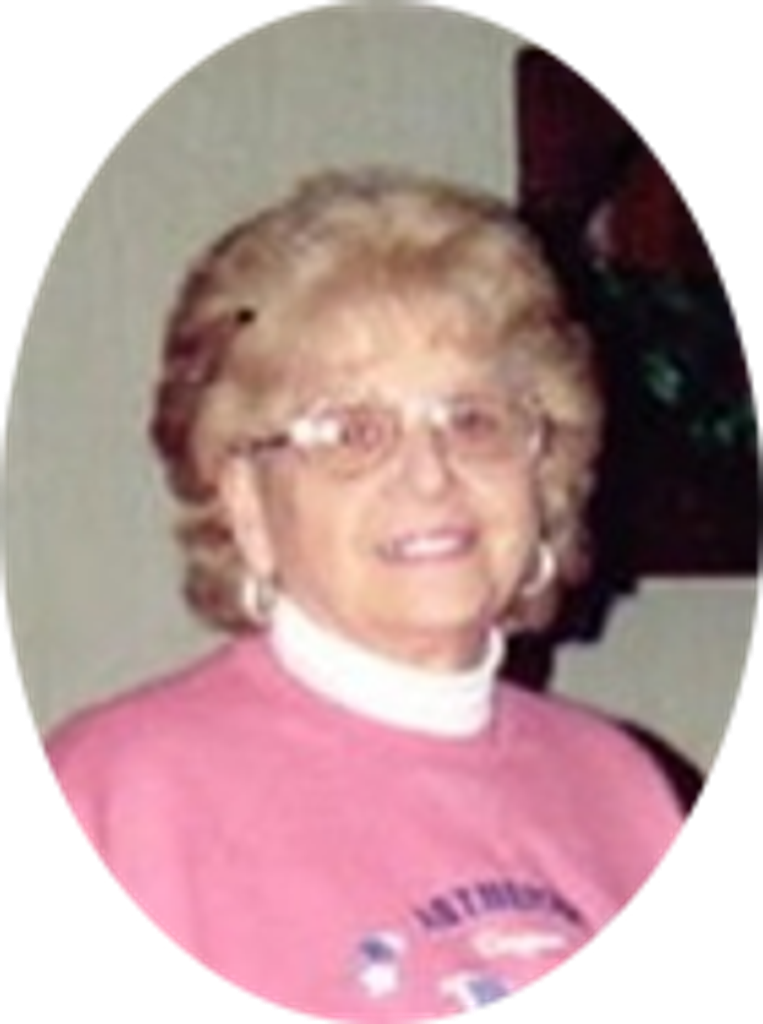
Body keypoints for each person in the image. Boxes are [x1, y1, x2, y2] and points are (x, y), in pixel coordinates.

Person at [42, 169, 687, 1018]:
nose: (429, 475)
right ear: (247, 500)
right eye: (352, 432)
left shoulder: (622, 788)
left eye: (473, 420)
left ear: (545, 472)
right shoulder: (118, 798)